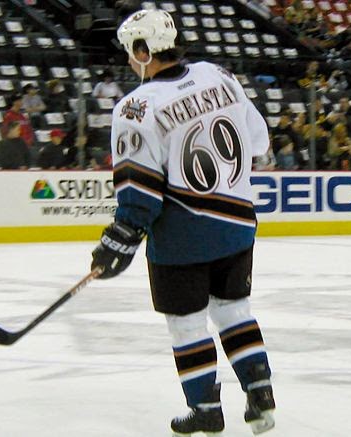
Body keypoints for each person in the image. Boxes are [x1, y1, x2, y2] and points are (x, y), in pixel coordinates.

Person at [90, 9, 275, 436]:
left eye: (130, 51)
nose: (128, 59)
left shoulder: (135, 107)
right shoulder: (218, 75)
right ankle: (261, 394)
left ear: (144, 51)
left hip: (182, 236)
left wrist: (119, 238)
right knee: (233, 310)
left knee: (187, 323)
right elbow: (259, 140)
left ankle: (206, 409)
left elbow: (139, 191)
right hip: (237, 224)